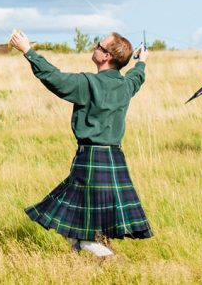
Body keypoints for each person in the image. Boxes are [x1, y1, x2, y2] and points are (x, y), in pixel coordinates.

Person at [10, 29, 152, 261]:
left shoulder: (89, 84)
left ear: (107, 57)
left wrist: (28, 51)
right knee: (87, 216)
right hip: (113, 157)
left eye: (99, 45)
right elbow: (137, 77)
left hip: (91, 158)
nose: (95, 46)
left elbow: (54, 78)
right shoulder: (126, 85)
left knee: (74, 217)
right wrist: (142, 62)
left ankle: (103, 255)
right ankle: (84, 255)